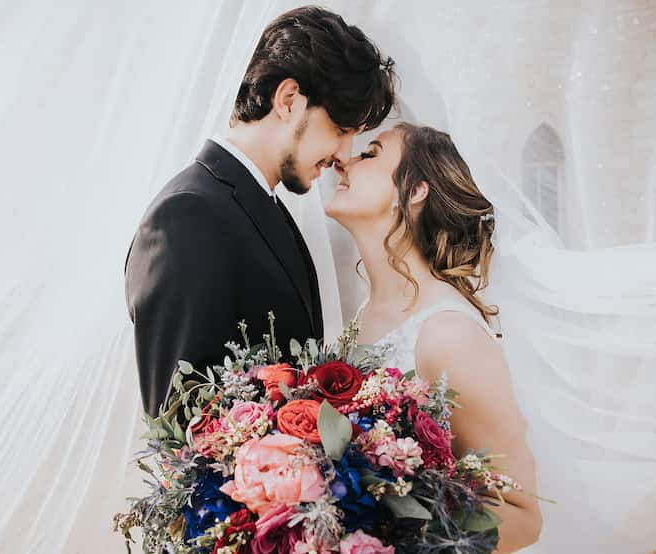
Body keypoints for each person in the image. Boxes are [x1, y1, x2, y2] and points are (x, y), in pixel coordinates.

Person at [125, 5, 397, 415]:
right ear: (289, 100)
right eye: (341, 130)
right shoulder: (187, 216)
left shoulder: (264, 206)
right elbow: (180, 423)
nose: (344, 154)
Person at [325, 122, 543, 552]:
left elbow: (521, 514)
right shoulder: (363, 316)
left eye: (369, 154)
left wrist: (389, 539)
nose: (342, 161)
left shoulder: (447, 333)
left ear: (416, 191)